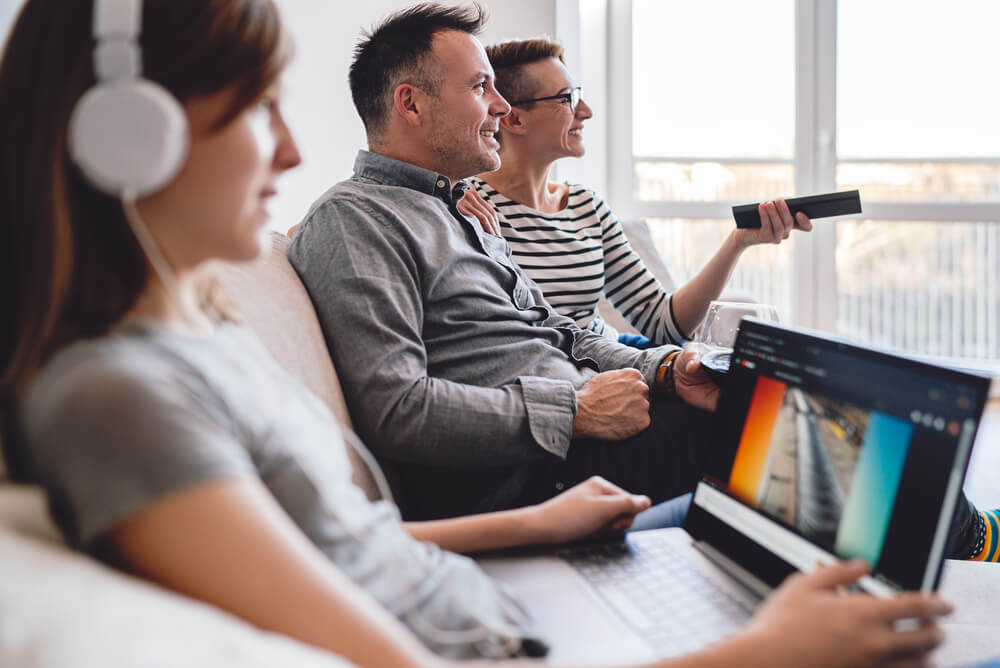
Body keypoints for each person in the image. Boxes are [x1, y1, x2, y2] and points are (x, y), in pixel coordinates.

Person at [0, 2, 963, 665]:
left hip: (506, 560)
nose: (289, 150)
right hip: (503, 606)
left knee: (776, 451)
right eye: (258, 108)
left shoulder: (196, 343)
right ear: (129, 137)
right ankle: (952, 534)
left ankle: (937, 534)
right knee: (810, 485)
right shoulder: (123, 394)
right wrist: (757, 656)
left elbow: (351, 545)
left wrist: (545, 513)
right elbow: (393, 428)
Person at [288, 2, 744, 522]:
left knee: (765, 397)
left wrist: (664, 370)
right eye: (481, 87)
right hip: (529, 472)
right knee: (773, 433)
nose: (502, 108)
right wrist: (575, 412)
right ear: (411, 105)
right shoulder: (355, 219)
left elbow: (561, 333)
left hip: (578, 431)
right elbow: (398, 409)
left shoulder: (462, 212)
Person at [457, 38, 810, 348]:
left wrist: (739, 241)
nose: (586, 111)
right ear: (514, 120)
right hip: (559, 379)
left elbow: (666, 324)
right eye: (569, 99)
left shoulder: (587, 207)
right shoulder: (468, 209)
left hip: (611, 357)